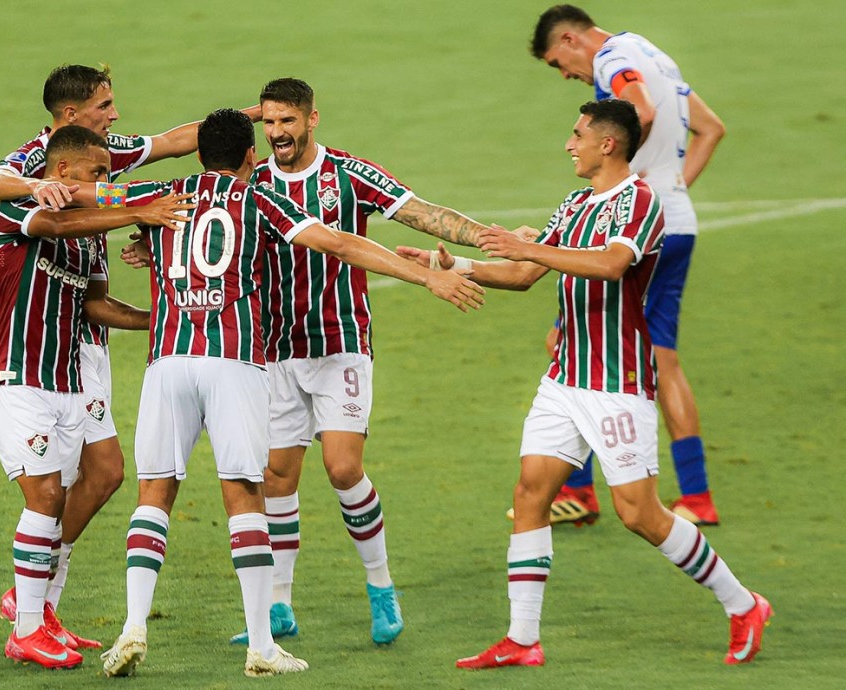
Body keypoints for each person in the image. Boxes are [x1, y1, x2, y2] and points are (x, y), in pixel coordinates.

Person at [96, 108, 483, 678]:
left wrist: (63, 198)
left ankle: (132, 627)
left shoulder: (161, 194)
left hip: (170, 360)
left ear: (198, 154)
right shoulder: (261, 198)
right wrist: (427, 275)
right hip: (238, 360)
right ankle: (263, 642)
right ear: (250, 155)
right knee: (246, 492)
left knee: (154, 492)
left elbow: (91, 196)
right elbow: (339, 243)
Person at [398, 99, 770, 669]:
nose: (569, 145)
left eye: (577, 135)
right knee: (530, 493)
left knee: (639, 514)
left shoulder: (641, 200)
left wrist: (529, 246)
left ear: (607, 144)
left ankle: (744, 604)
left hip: (617, 383)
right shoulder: (574, 204)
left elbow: (613, 264)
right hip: (564, 380)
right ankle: (523, 639)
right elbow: (524, 274)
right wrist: (450, 266)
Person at [0, 64, 257, 645]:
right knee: (50, 492)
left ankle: (38, 600)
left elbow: (172, 141)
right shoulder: (35, 170)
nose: (116, 115)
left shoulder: (99, 180)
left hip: (78, 355)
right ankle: (31, 609)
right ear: (71, 117)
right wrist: (38, 190)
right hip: (30, 363)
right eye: (105, 105)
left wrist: (254, 116)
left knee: (103, 474)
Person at [223, 77, 496, 648]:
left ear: (312, 119)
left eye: (287, 121)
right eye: (268, 123)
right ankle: (278, 605)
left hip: (341, 341)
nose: (277, 133)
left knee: (343, 468)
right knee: (277, 475)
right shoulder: (252, 184)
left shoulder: (349, 174)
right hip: (275, 350)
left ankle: (381, 586)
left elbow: (422, 214)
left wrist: (490, 240)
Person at [0, 125, 189, 669]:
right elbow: (54, 222)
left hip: (68, 381)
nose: (104, 182)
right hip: (17, 376)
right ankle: (26, 629)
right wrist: (137, 212)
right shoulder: (21, 207)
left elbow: (96, 304)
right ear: (63, 170)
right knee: (46, 494)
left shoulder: (91, 237)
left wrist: (162, 320)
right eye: (97, 173)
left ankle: (41, 612)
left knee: (80, 484)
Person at [523, 5, 727, 527]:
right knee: (661, 357)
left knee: (568, 342)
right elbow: (710, 129)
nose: (566, 75)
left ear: (569, 40)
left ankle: (579, 490)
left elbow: (642, 111)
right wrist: (666, 197)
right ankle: (696, 495)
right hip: (674, 224)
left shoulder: (613, 60)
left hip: (635, 235)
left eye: (557, 64)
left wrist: (623, 194)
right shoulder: (653, 54)